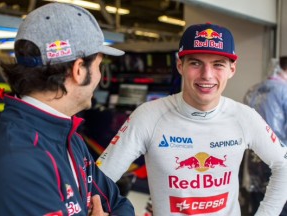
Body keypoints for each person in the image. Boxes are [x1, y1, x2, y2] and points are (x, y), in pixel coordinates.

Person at [97, 23, 287, 216]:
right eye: (195, 63)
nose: (207, 75)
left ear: (232, 69)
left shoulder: (244, 116)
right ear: (180, 65)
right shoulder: (148, 116)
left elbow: (284, 164)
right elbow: (98, 180)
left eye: (218, 64)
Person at [0, 3, 134, 216]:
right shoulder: (17, 158)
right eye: (98, 66)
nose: (100, 77)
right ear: (79, 70)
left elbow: (119, 204)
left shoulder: (71, 139)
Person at [243, 56, 287, 215]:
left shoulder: (255, 89)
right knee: (278, 204)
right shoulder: (284, 90)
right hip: (280, 159)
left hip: (254, 160)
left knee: (259, 204)